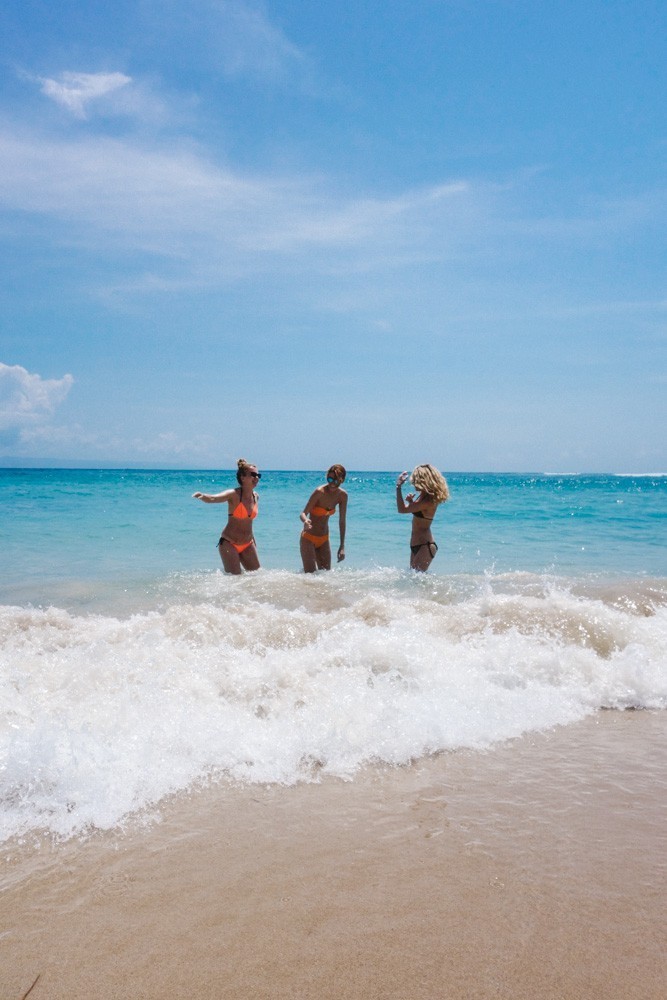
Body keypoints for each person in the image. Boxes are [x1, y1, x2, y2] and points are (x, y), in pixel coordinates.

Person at [192, 459, 261, 574]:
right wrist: (203, 496)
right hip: (229, 543)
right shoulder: (233, 494)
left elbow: (249, 521)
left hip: (248, 544)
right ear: (242, 477)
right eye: (253, 475)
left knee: (258, 578)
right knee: (235, 580)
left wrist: (253, 539)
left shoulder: (256, 497)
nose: (256, 478)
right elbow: (214, 498)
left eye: (258, 475)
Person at [395, 464, 450, 572]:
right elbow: (420, 514)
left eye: (416, 480)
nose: (413, 483)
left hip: (425, 545)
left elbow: (402, 509)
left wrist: (398, 487)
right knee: (414, 583)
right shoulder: (422, 497)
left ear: (423, 481)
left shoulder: (429, 501)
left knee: (414, 581)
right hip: (416, 544)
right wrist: (411, 502)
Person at [299, 464, 348, 572]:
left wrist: (342, 546)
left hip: (324, 539)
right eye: (329, 479)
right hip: (308, 538)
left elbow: (342, 521)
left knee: (325, 577)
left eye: (335, 481)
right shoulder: (319, 492)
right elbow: (303, 513)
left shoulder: (342, 496)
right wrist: (305, 520)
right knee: (310, 577)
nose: (331, 483)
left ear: (342, 480)